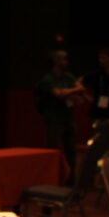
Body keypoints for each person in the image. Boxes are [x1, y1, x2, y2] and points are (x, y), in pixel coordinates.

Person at [35, 49, 86, 180]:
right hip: (54, 119)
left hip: (68, 118)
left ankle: (71, 177)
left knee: (71, 150)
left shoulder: (68, 76)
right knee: (54, 150)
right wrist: (73, 90)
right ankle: (53, 177)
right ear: (56, 61)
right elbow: (58, 94)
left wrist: (70, 93)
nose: (66, 61)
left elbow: (79, 92)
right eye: (63, 59)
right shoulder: (48, 79)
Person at [79, 47, 109, 143]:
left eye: (104, 58)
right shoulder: (97, 75)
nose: (101, 61)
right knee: (98, 138)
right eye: (100, 58)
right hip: (98, 113)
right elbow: (80, 81)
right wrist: (86, 95)